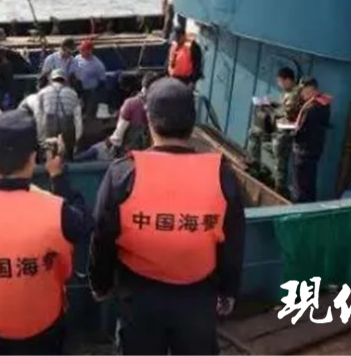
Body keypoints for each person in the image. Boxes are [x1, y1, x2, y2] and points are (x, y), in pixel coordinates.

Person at [89, 78, 245, 355]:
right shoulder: (222, 175)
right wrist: (228, 290)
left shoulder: (123, 173)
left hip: (139, 298)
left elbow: (102, 235)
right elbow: (233, 241)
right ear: (192, 123)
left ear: (149, 121)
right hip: (197, 298)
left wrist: (100, 284)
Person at [0, 109, 92, 355]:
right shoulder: (57, 211)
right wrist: (58, 176)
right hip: (44, 335)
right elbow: (84, 224)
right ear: (33, 159)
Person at [247, 67, 302, 190]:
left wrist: (270, 109)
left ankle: (279, 187)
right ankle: (256, 166)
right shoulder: (288, 93)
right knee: (255, 134)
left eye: (280, 81)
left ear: (287, 80)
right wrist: (272, 104)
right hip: (277, 128)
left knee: (280, 161)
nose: (279, 85)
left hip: (284, 131)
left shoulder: (294, 94)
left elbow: (287, 113)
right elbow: (284, 108)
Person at [22, 69, 83, 161]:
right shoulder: (72, 93)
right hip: (68, 124)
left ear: (51, 79)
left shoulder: (42, 93)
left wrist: (40, 137)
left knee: (50, 152)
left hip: (49, 123)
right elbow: (78, 118)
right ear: (65, 80)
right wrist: (77, 137)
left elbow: (38, 115)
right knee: (68, 155)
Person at [290, 77, 332, 203]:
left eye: (303, 91)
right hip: (315, 150)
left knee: (300, 186)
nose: (301, 94)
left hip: (303, 151)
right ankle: (309, 204)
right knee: (310, 183)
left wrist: (290, 131)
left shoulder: (311, 108)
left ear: (311, 90)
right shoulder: (324, 104)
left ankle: (299, 206)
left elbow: (301, 130)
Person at [109, 72, 158, 153]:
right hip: (153, 153)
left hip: (132, 152)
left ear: (143, 85)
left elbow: (118, 135)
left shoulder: (130, 104)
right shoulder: (161, 106)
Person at [74, 40, 106, 119]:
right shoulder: (77, 58)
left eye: (83, 50)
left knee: (89, 110)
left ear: (90, 51)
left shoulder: (97, 64)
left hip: (90, 90)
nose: (81, 52)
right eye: (81, 50)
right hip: (78, 87)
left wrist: (96, 91)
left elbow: (102, 80)